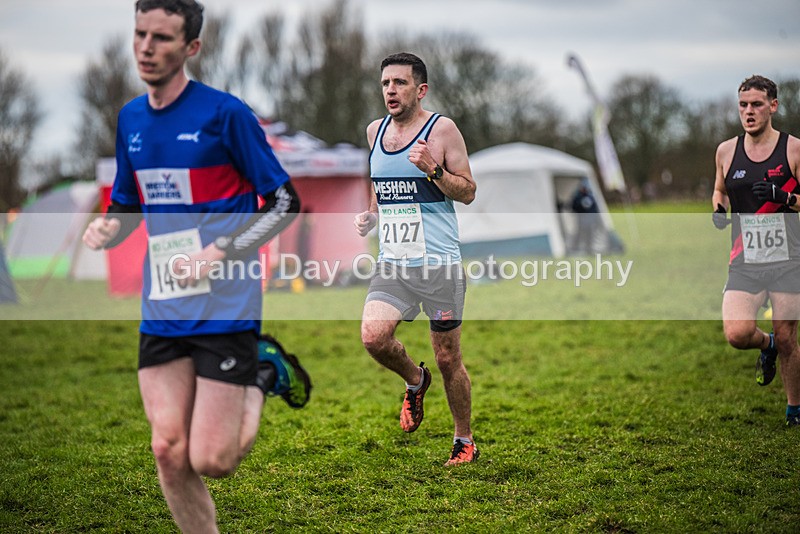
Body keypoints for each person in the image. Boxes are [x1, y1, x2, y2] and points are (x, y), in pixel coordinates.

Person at [82, 1, 310, 531]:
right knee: (167, 448)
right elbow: (128, 203)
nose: (146, 47)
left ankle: (264, 370)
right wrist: (108, 226)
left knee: (213, 459)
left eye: (161, 38)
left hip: (226, 301)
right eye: (140, 34)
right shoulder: (130, 118)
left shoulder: (225, 114)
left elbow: (284, 202)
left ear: (191, 47)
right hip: (163, 304)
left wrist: (218, 252)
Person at [353, 52, 478, 465]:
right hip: (394, 264)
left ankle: (464, 440)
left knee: (448, 358)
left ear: (420, 89)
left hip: (439, 265)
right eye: (385, 83)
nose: (390, 90)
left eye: (400, 83)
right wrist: (371, 215)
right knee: (373, 338)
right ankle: (415, 380)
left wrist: (433, 170)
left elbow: (468, 191)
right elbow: (380, 185)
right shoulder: (374, 132)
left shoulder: (442, 130)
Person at [712, 74, 800, 426]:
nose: (749, 111)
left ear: (773, 106)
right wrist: (718, 209)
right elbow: (720, 189)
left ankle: (795, 409)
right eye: (743, 105)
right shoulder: (726, 151)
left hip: (788, 260)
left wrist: (784, 197)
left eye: (757, 105)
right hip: (745, 259)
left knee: (788, 336)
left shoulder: (793, 149)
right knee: (737, 333)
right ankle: (767, 346)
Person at [570, 179, 600, 254]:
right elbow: (573, 207)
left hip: (590, 220)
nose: (585, 189)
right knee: (579, 234)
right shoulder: (577, 197)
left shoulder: (591, 196)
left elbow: (595, 209)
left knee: (589, 235)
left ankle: (589, 249)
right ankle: (574, 249)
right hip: (581, 219)